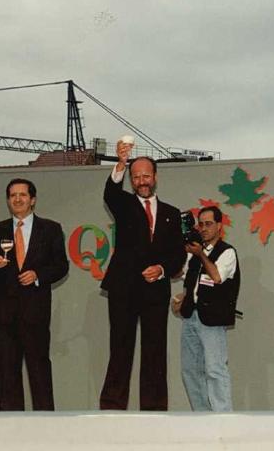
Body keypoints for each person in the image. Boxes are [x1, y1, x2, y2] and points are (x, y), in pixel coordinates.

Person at [99, 137, 185, 411]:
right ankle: (112, 410)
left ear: (155, 177)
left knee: (155, 352)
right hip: (123, 289)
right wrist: (121, 163)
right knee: (120, 349)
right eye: (136, 177)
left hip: (155, 291)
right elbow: (110, 193)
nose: (142, 181)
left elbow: (178, 254)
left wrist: (162, 269)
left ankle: (155, 411)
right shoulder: (123, 204)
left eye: (146, 175)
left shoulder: (172, 214)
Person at [0, 178, 68, 410]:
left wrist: (38, 275)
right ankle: (10, 428)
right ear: (8, 201)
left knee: (39, 370)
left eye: (22, 195)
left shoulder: (51, 228)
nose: (18, 199)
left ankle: (45, 425)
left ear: (33, 200)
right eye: (13, 195)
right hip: (4, 313)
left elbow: (61, 266)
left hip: (36, 312)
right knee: (7, 372)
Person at [177, 206, 240, 411]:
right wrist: (182, 298)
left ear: (219, 226)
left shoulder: (227, 252)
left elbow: (216, 277)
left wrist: (201, 254)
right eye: (201, 224)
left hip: (212, 319)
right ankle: (202, 416)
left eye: (208, 224)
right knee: (190, 371)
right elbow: (186, 277)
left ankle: (223, 417)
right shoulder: (193, 253)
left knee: (215, 369)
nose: (203, 228)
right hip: (191, 317)